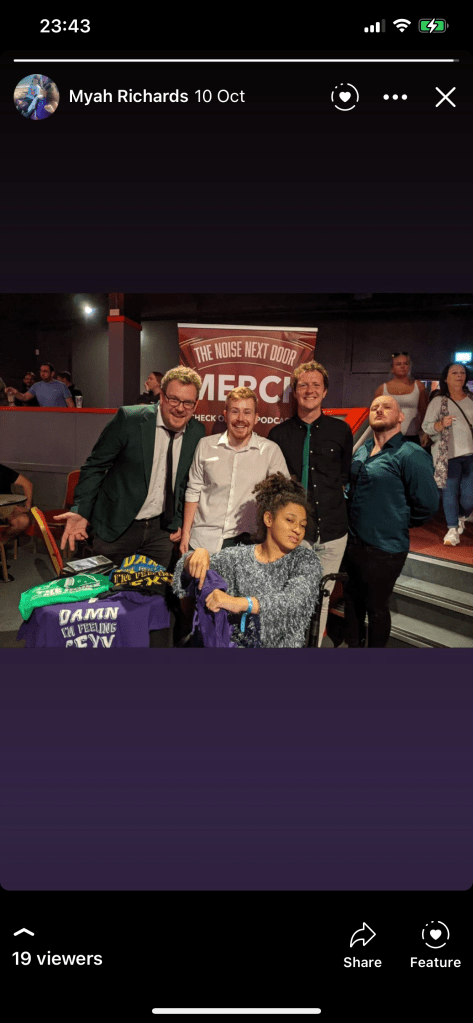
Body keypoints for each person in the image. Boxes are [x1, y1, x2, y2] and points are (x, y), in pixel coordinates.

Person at [54, 367, 205, 571]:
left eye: (188, 403)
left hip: (160, 534)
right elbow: (95, 467)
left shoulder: (196, 432)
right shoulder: (129, 419)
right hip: (116, 527)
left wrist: (178, 520)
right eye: (174, 399)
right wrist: (81, 510)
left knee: (153, 589)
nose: (180, 408)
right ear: (162, 397)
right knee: (107, 587)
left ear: (196, 404)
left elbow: (186, 482)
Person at [173, 473, 322, 648]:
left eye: (303, 525)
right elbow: (182, 575)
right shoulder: (238, 558)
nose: (297, 529)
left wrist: (240, 603)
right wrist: (195, 556)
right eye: (290, 520)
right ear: (269, 519)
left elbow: (294, 602)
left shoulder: (306, 560)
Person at [342, 395, 439, 647]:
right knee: (352, 602)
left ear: (401, 416)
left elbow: (428, 505)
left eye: (387, 407)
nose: (379, 410)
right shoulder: (363, 449)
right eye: (374, 407)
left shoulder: (411, 454)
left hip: (384, 548)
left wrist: (395, 521)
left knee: (376, 609)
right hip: (353, 543)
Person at [268, 360, 353, 645]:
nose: (309, 390)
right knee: (291, 597)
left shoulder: (341, 431)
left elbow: (343, 475)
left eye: (316, 385)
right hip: (294, 533)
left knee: (323, 600)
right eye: (303, 385)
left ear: (325, 391)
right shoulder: (278, 435)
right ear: (294, 392)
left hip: (333, 532)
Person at [180, 387, 288, 556]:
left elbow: (283, 498)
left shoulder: (270, 451)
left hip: (247, 547)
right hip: (202, 542)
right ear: (226, 415)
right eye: (235, 411)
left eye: (247, 412)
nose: (241, 419)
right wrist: (186, 534)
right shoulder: (205, 445)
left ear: (256, 417)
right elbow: (193, 491)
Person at [422, 363, 473, 546]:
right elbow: (426, 426)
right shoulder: (439, 402)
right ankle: (452, 529)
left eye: (462, 373)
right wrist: (441, 424)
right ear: (446, 378)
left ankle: (461, 516)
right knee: (449, 492)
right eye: (454, 373)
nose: (459, 376)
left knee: (469, 497)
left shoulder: (471, 399)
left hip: (470, 454)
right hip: (447, 455)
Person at [373, 351, 429, 444]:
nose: (402, 366)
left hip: (412, 436)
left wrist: (425, 433)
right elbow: (375, 416)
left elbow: (424, 412)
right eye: (399, 364)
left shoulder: (419, 387)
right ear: (392, 368)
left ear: (409, 366)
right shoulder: (382, 389)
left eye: (405, 364)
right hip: (388, 436)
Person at [7, 363, 74, 408]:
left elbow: (71, 405)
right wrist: (15, 392)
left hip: (60, 418)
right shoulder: (36, 386)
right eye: (41, 371)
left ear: (52, 373)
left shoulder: (62, 386)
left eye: (45, 371)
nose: (42, 373)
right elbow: (25, 397)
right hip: (44, 418)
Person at [0, 463, 32, 541]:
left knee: (22, 521)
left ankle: (2, 542)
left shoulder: (2, 470)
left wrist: (27, 507)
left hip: (5, 505)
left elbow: (27, 484)